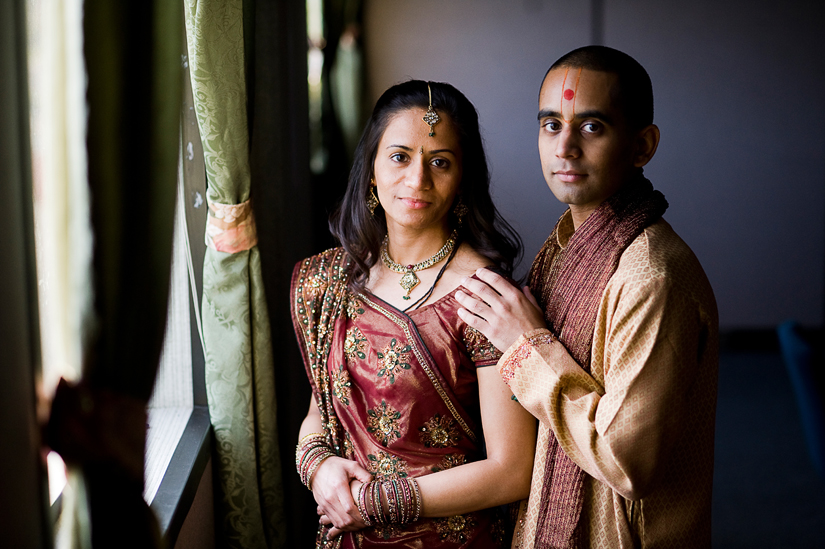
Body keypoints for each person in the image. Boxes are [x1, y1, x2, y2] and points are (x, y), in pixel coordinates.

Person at [456, 46, 718, 548]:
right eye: (551, 125)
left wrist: (526, 346)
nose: (565, 148)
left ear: (643, 146)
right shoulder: (565, 247)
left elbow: (628, 459)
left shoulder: (651, 277)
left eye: (592, 127)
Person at [291, 80, 537, 548]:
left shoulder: (484, 298)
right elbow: (318, 414)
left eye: (439, 162)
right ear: (371, 170)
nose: (417, 179)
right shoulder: (334, 281)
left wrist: (374, 504)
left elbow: (512, 471)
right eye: (400, 156)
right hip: (347, 529)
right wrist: (318, 467)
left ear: (463, 177)